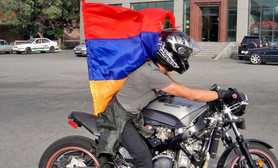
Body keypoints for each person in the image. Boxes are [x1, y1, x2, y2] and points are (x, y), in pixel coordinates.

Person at [96, 29, 239, 168]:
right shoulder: (153, 74)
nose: (185, 59)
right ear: (171, 54)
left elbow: (178, 89)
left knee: (159, 146)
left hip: (131, 115)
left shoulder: (158, 71)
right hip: (119, 118)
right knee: (144, 161)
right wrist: (221, 94)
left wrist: (212, 95)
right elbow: (190, 94)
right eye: (184, 56)